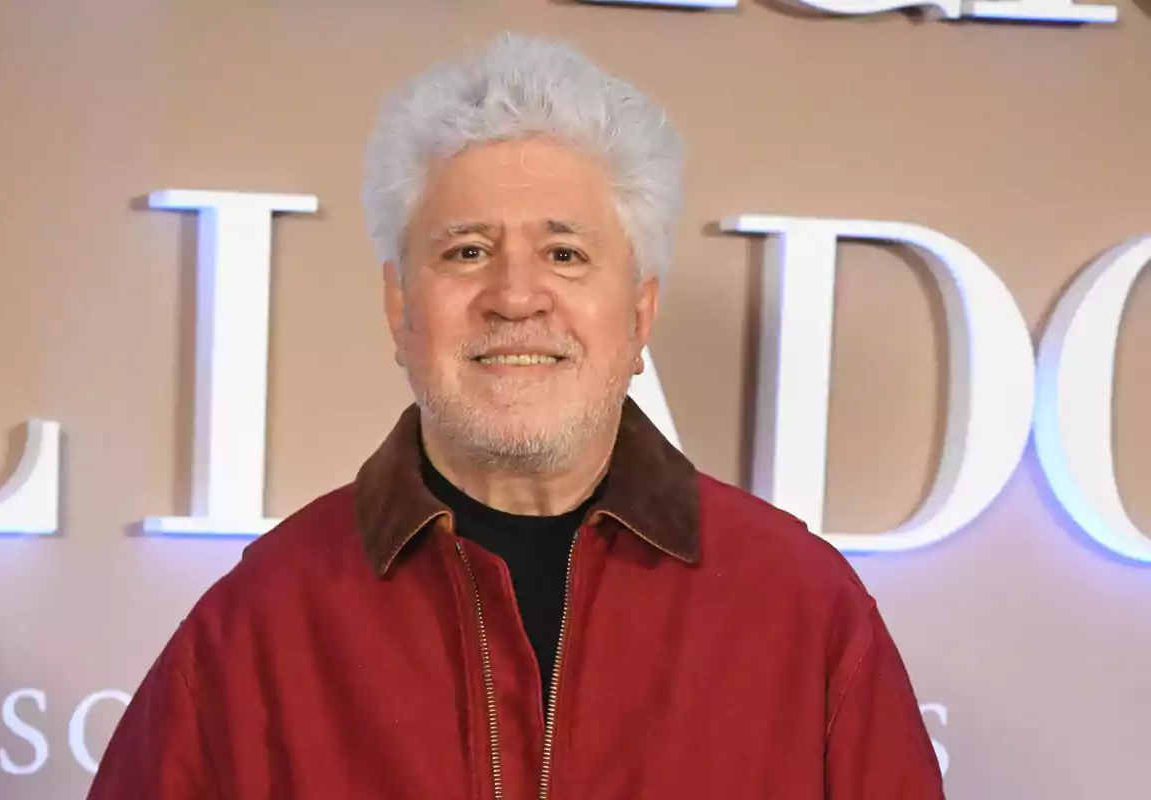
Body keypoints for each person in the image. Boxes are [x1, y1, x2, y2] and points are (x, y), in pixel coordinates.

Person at [88, 33, 945, 799]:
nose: (516, 295)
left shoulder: (802, 610)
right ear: (399, 306)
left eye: (565, 253)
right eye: (467, 251)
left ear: (639, 313)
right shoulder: (257, 627)